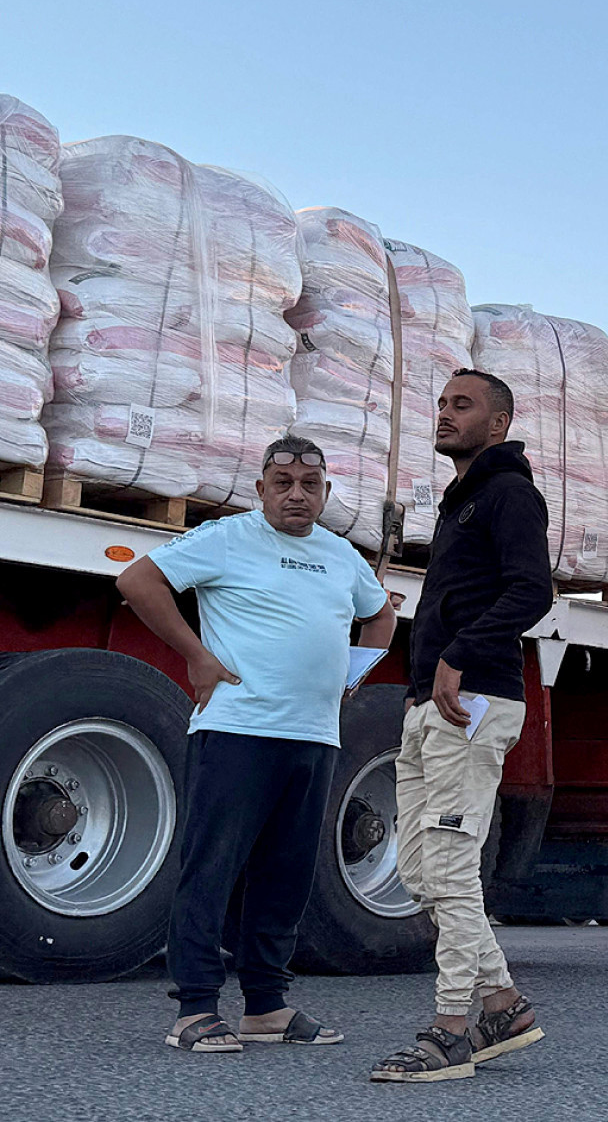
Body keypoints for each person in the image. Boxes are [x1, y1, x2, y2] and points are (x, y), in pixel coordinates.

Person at [117, 435, 395, 1054]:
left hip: (314, 736)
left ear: (326, 490)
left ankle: (266, 1006)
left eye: (311, 485)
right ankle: (194, 1009)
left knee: (285, 875)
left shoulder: (340, 554)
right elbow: (137, 581)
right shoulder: (228, 538)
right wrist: (196, 656)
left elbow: (380, 615)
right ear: (261, 488)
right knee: (212, 868)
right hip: (237, 730)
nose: (297, 495)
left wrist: (352, 674)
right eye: (283, 483)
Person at [371, 368, 554, 1084]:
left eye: (462, 404)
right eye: (442, 403)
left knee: (449, 866)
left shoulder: (509, 493)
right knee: (419, 873)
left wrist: (458, 653)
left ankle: (451, 1029)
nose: (444, 413)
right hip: (432, 706)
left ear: (498, 423)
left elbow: (531, 589)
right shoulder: (460, 501)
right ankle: (504, 1004)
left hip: (473, 699)